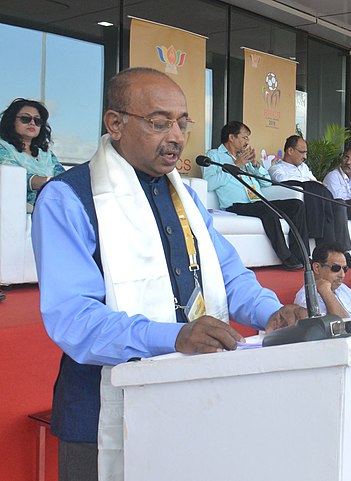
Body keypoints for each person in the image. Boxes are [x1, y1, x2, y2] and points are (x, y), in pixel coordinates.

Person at [31, 67, 306, 481]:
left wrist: (270, 312)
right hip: (100, 413)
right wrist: (171, 337)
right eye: (159, 123)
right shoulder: (68, 199)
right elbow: (73, 319)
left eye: (183, 122)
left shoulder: (186, 196)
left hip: (194, 396)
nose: (176, 136)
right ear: (115, 124)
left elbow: (230, 275)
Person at [203, 121, 306, 270]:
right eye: (244, 138)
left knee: (297, 205)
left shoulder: (244, 157)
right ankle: (286, 257)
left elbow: (267, 183)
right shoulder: (214, 155)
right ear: (232, 137)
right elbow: (210, 182)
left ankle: (300, 254)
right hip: (236, 205)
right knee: (268, 212)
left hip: (257, 201)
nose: (247, 142)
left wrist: (256, 166)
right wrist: (236, 165)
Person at [269, 135, 351, 267]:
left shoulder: (304, 168)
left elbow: (317, 182)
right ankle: (323, 245)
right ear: (290, 151)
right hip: (299, 203)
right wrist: (309, 184)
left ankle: (341, 252)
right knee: (313, 189)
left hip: (316, 202)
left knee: (338, 204)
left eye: (306, 153)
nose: (305, 156)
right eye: (302, 152)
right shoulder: (277, 168)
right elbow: (285, 183)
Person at [0, 98, 65, 211]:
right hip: (14, 215)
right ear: (11, 121)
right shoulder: (3, 148)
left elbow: (63, 178)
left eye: (38, 121)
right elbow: (12, 178)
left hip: (50, 212)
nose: (32, 123)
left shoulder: (46, 154)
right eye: (25, 119)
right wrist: (50, 182)